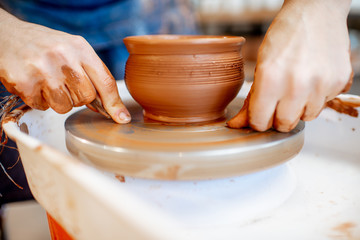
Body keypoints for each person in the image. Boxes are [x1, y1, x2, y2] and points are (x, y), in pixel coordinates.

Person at [0, 0, 353, 200]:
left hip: (153, 14)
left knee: (195, 191)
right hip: (26, 25)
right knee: (27, 179)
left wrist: (318, 9)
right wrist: (7, 34)